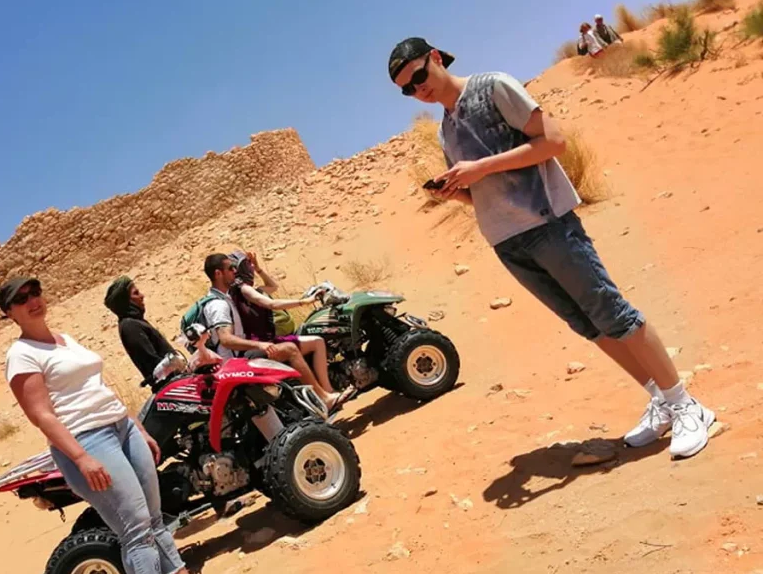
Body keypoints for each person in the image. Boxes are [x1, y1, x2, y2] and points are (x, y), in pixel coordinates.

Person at [387, 37, 715, 459]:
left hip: (549, 223)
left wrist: (481, 166)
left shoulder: (493, 87)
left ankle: (687, 404)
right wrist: (457, 194)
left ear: (436, 57)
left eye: (418, 75)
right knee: (588, 324)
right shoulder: (446, 129)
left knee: (612, 312)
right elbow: (486, 192)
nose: (418, 89)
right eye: (407, 88)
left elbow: (554, 141)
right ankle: (662, 401)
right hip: (507, 241)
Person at [0, 276, 237, 574]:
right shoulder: (22, 354)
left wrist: (136, 426)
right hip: (88, 440)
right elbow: (41, 415)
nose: (33, 301)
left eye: (35, 292)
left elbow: (99, 388)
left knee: (155, 521)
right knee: (135, 531)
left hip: (121, 429)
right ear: (9, 313)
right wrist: (80, 457)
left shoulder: (64, 339)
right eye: (21, 299)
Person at [200, 254, 347, 411]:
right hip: (236, 361)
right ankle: (324, 399)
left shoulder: (226, 297)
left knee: (307, 342)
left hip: (242, 354)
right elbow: (226, 339)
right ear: (218, 274)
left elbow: (272, 288)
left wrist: (258, 269)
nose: (235, 271)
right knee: (290, 349)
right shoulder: (219, 304)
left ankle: (326, 393)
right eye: (230, 268)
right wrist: (261, 345)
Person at [104, 275, 176, 386]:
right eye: (136, 293)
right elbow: (153, 364)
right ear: (126, 302)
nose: (142, 296)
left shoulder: (135, 322)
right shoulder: (130, 326)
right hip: (171, 386)